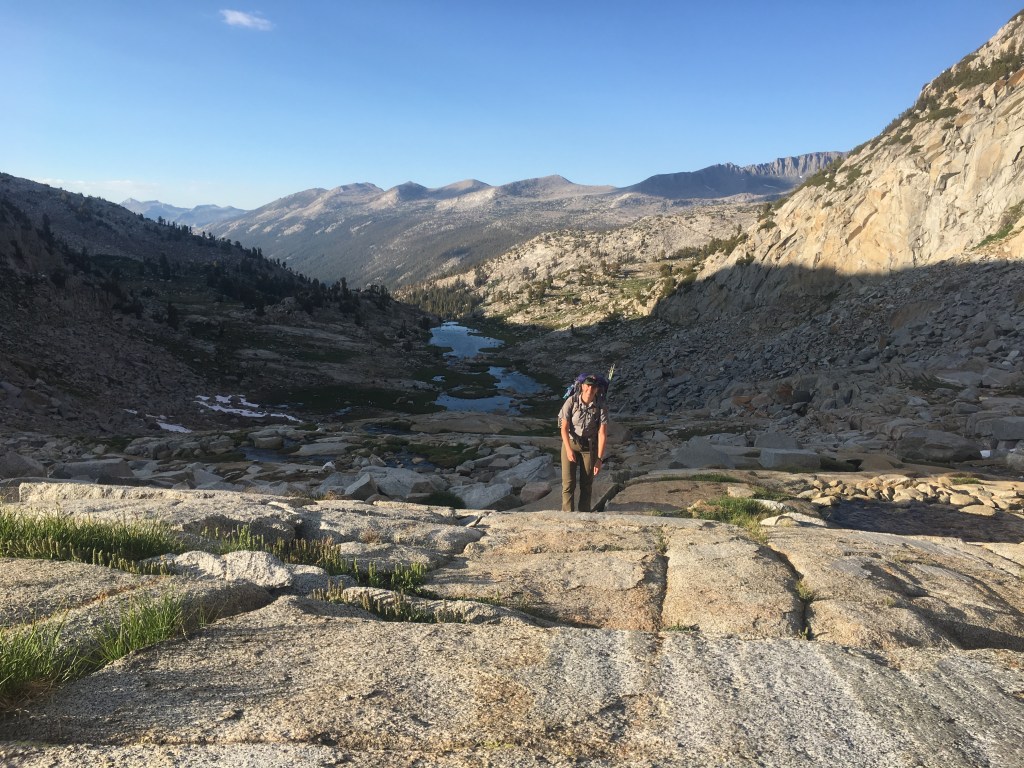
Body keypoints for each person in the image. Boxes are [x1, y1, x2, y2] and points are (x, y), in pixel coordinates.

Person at [558, 374, 609, 512]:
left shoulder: (601, 406)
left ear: (597, 389)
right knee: (568, 483)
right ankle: (567, 514)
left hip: (589, 446)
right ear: (582, 386)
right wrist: (568, 450)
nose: (590, 389)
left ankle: (584, 514)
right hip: (571, 443)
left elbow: (602, 433)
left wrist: (599, 459)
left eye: (593, 387)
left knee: (587, 484)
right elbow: (564, 428)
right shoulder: (571, 401)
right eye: (587, 385)